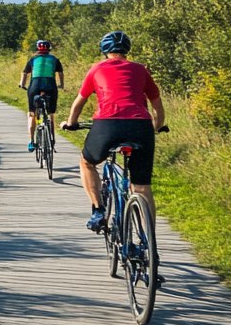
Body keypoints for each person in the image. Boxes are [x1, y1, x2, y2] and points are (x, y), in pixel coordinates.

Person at [62, 31, 166, 232]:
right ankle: (149, 239)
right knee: (142, 185)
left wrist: (71, 122)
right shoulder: (141, 70)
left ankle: (98, 210)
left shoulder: (96, 69)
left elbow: (79, 102)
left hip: (107, 124)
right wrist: (157, 126)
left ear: (104, 50)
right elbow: (157, 106)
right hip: (140, 126)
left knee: (87, 162)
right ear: (127, 50)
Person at [18, 39, 64, 151]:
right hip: (50, 85)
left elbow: (24, 73)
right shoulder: (54, 60)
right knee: (51, 114)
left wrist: (22, 84)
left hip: (35, 86)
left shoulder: (33, 59)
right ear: (49, 50)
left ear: (38, 49)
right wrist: (61, 85)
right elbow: (61, 73)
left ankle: (31, 142)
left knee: (31, 113)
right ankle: (52, 139)